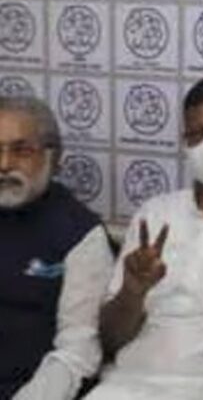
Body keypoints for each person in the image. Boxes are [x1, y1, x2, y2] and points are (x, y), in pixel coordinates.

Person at [85, 76, 203, 400]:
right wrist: (133, 290)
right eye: (197, 134)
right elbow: (109, 340)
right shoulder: (155, 214)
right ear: (184, 142)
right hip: (127, 385)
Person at [0, 96, 114, 400]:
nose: (4, 164)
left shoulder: (80, 234)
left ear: (52, 157)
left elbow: (78, 350)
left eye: (21, 151)